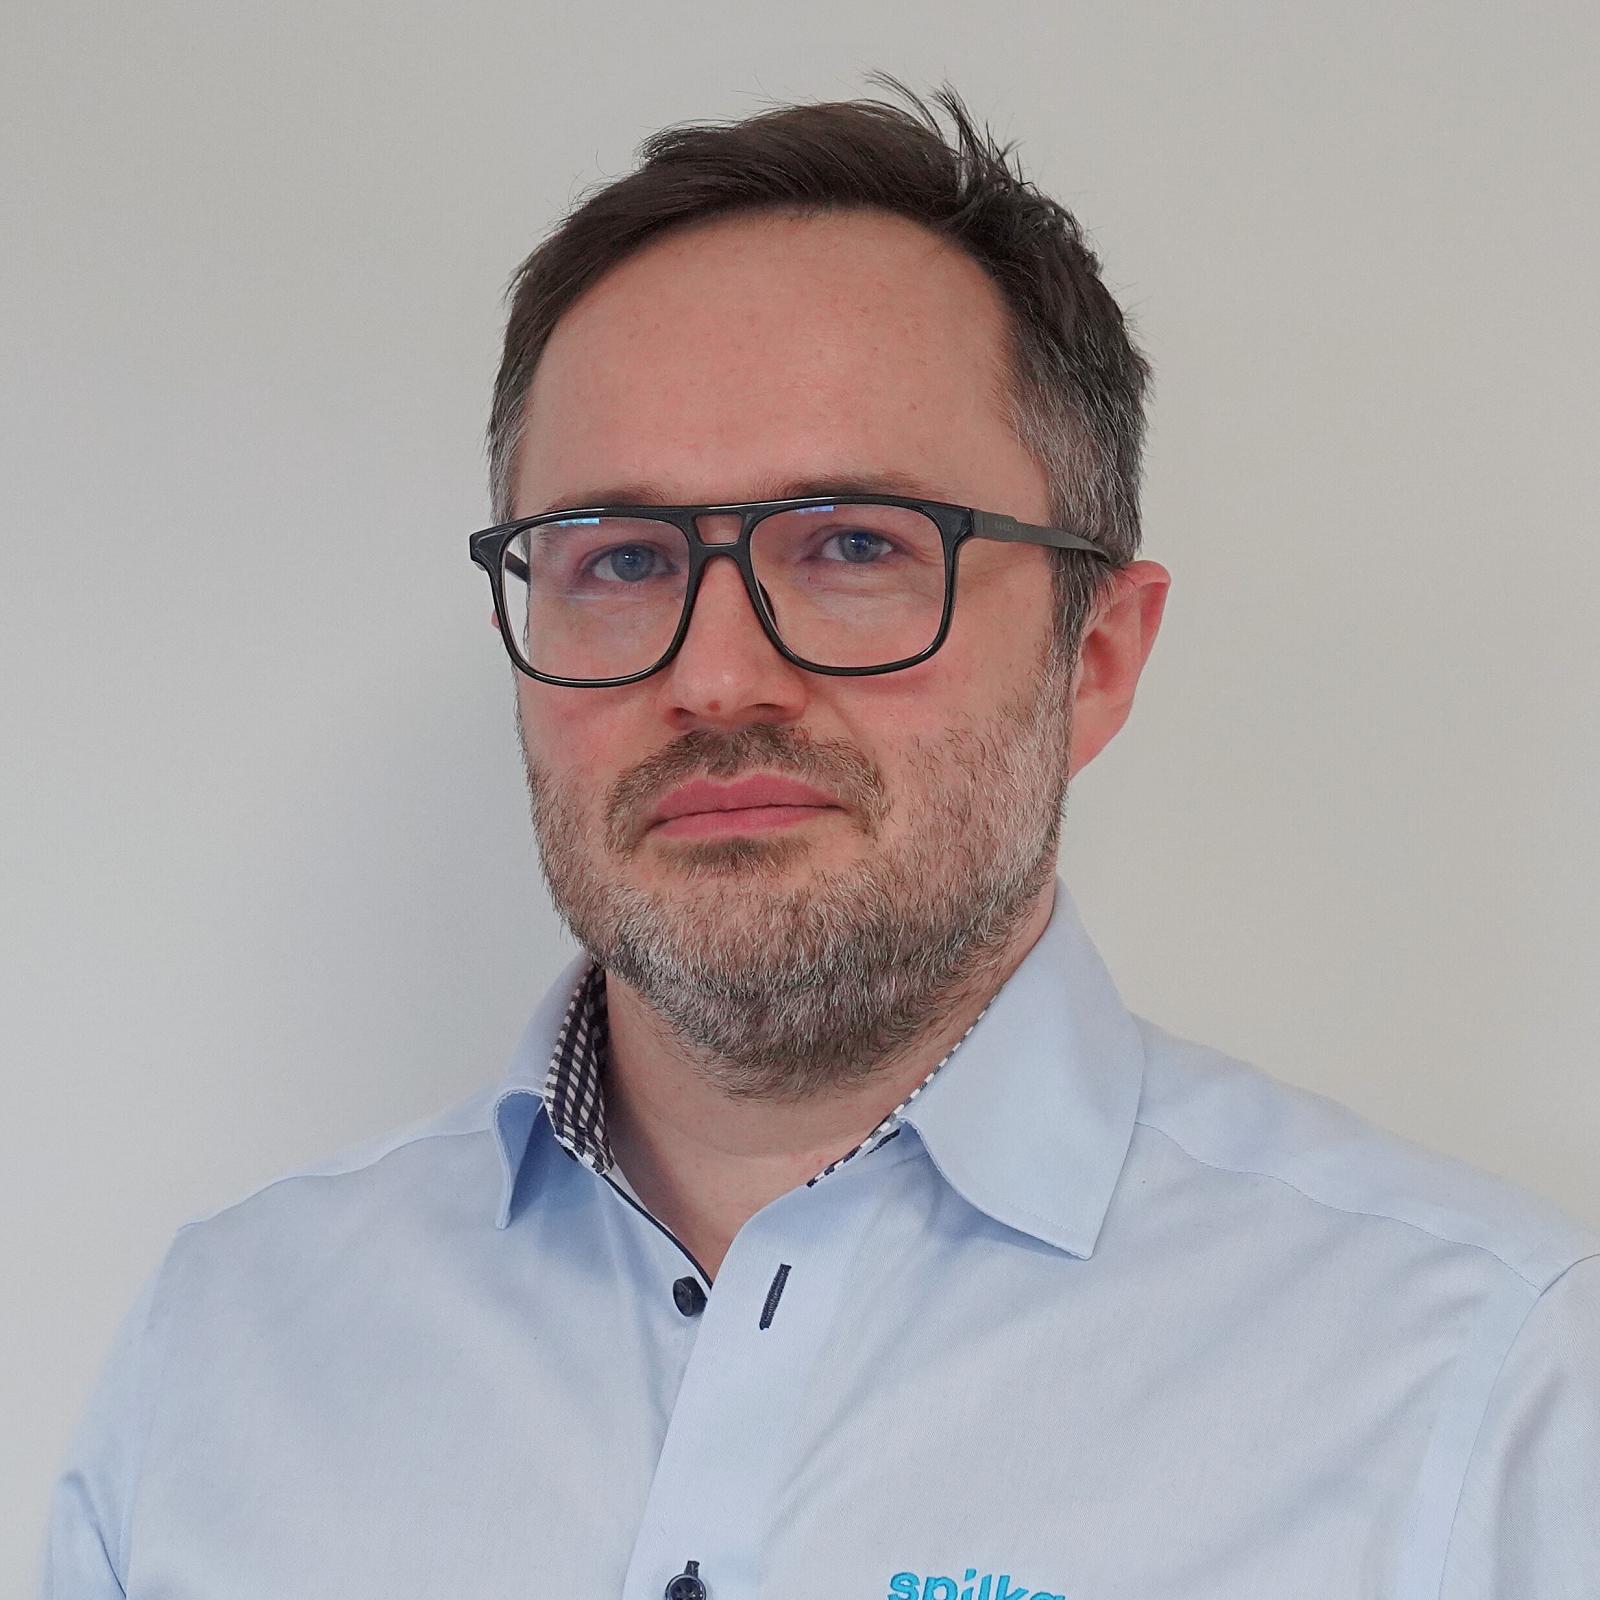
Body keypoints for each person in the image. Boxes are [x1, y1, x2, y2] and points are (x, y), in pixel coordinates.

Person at [43, 79, 1598, 1600]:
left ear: (1097, 658)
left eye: (856, 544)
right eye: (622, 558)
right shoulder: (226, 1352)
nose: (717, 677)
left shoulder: (1488, 1387)